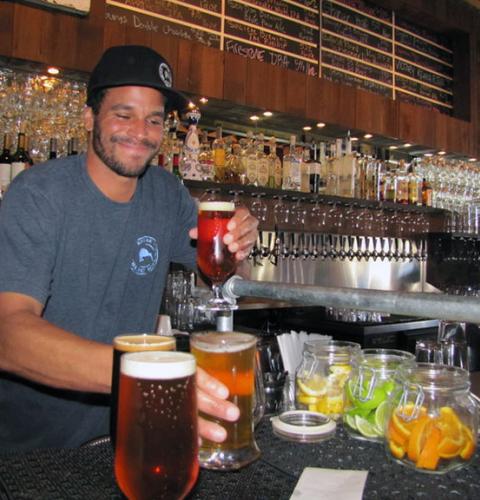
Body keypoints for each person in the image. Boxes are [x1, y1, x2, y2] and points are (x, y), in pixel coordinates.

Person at [0, 45, 259, 452]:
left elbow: (222, 278)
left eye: (154, 120)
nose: (140, 132)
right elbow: (8, 336)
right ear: (89, 117)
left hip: (130, 436)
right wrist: (145, 372)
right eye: (124, 114)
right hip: (33, 453)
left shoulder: (166, 193)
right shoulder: (38, 195)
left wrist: (240, 242)